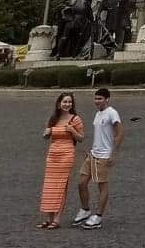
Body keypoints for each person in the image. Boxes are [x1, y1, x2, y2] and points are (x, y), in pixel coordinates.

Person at [74, 87, 122, 230]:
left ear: (107, 99)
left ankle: (98, 216)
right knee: (81, 183)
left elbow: (120, 133)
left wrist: (113, 153)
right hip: (93, 154)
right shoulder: (98, 114)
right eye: (96, 98)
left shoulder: (112, 113)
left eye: (100, 98)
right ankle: (85, 209)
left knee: (102, 186)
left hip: (104, 156)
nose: (97, 101)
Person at [37, 93, 84, 229]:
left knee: (60, 186)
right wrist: (46, 133)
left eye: (69, 102)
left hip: (66, 154)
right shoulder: (53, 119)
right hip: (53, 154)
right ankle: (49, 218)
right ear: (59, 103)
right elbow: (46, 135)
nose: (67, 104)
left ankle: (57, 219)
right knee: (49, 186)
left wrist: (72, 131)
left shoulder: (75, 119)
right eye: (65, 102)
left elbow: (81, 138)